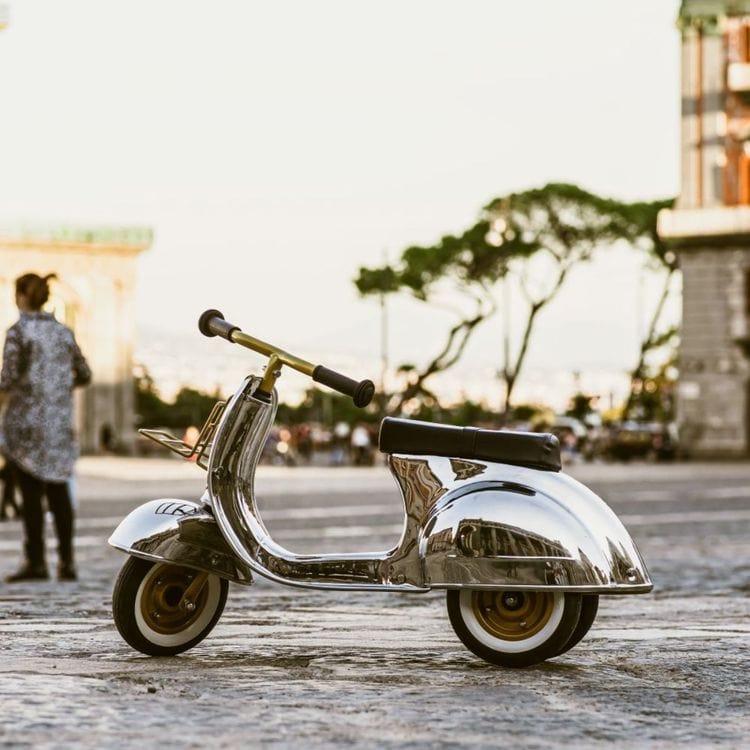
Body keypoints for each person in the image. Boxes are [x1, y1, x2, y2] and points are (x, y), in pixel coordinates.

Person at [0, 273, 91, 582]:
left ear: (21, 296)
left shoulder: (19, 333)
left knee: (30, 494)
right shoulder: (64, 333)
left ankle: (36, 561)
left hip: (25, 424)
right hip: (59, 424)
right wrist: (58, 389)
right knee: (59, 493)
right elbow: (85, 373)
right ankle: (67, 561)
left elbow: (8, 378)